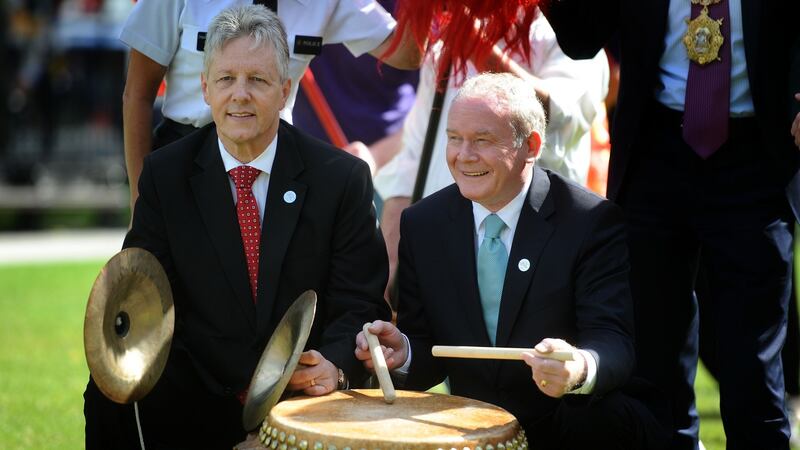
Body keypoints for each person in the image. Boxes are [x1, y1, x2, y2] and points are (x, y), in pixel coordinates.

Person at [84, 5, 390, 449]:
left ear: (285, 90)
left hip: (303, 396)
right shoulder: (165, 177)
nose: (240, 95)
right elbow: (147, 303)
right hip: (199, 391)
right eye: (226, 79)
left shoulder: (340, 180)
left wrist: (337, 366)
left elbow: (360, 303)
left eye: (258, 80)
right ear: (205, 89)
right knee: (107, 395)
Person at [356, 73, 670, 449]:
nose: (463, 155)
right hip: (472, 430)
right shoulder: (423, 224)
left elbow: (614, 342)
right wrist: (403, 351)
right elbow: (429, 351)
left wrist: (578, 368)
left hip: (576, 426)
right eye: (454, 138)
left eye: (483, 140)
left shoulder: (589, 221)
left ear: (531, 145)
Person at [542, 1, 800, 448]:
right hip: (654, 153)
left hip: (756, 156)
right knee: (654, 357)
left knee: (752, 361)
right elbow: (581, 37)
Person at [373, 8, 608, 293]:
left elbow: (561, 113)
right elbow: (412, 158)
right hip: (443, 255)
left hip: (536, 253)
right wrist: (391, 257)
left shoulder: (565, 29)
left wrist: (472, 41)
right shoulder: (444, 42)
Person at [119, 0, 422, 213]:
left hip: (272, 163)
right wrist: (139, 203)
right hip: (188, 155)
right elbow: (137, 95)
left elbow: (409, 53)